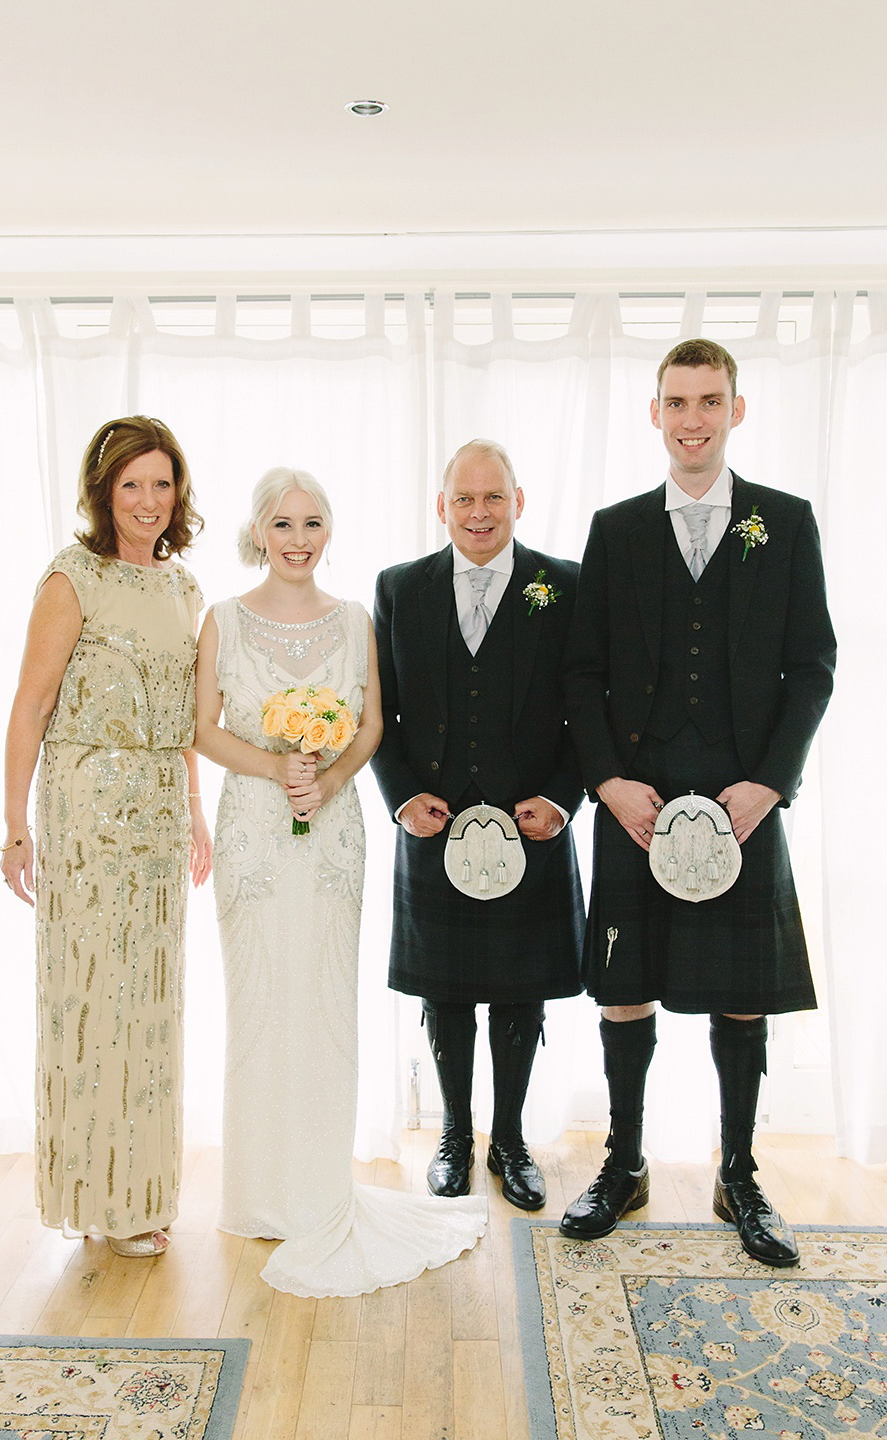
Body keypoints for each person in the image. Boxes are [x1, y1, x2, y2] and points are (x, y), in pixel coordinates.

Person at [561, 339, 836, 1266]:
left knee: (742, 999)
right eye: (677, 401)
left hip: (744, 804)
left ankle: (741, 1173)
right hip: (634, 805)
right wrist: (605, 781)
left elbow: (815, 669)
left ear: (736, 410)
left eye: (709, 401)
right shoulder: (616, 529)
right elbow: (583, 671)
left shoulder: (786, 524)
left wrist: (770, 782)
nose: (692, 419)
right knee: (626, 990)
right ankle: (624, 1162)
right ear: (655, 413)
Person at [195, 467, 486, 1298]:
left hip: (330, 835)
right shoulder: (221, 620)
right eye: (281, 525)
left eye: (311, 523)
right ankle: (258, 1194)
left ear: (329, 532)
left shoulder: (354, 619)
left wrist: (324, 782)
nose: (297, 539)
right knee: (258, 1002)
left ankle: (319, 1190)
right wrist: (279, 768)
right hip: (255, 831)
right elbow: (202, 730)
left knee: (321, 1002)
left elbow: (371, 725)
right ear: (258, 532)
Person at [1, 416, 212, 1258]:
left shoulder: (185, 589)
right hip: (87, 808)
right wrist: (14, 828)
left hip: (161, 808)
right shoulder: (72, 577)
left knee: (151, 1003)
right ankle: (98, 1199)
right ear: (104, 492)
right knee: (93, 1002)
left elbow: (188, 721)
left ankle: (143, 1191)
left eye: (161, 484)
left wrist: (194, 806)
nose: (149, 501)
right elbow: (32, 703)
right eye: (132, 485)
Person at [371, 440, 586, 1211]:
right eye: (464, 499)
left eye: (493, 497)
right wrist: (401, 797)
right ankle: (455, 1135)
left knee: (520, 993)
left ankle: (512, 1139)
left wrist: (561, 799)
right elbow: (380, 712)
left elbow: (586, 712)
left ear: (518, 501)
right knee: (447, 992)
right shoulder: (399, 588)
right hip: (434, 829)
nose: (479, 512)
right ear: (442, 506)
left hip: (530, 832)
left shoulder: (562, 587)